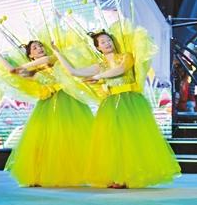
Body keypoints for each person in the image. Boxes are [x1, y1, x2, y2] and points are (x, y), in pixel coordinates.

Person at [53, 30, 181, 188]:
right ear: (98, 48)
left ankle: (131, 175)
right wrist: (57, 53)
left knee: (131, 139)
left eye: (109, 40)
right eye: (103, 42)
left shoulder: (126, 57)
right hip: (111, 104)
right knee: (113, 141)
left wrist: (99, 77)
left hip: (130, 101)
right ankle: (117, 176)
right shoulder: (100, 66)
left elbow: (120, 70)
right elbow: (75, 72)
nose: (107, 43)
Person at [0, 40, 94, 187]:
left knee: (71, 137)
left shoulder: (53, 59)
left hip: (68, 101)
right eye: (35, 48)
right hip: (47, 104)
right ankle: (43, 174)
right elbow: (12, 71)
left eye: (41, 46)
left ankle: (75, 172)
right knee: (46, 140)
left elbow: (41, 61)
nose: (39, 49)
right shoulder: (33, 73)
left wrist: (23, 67)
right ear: (30, 55)